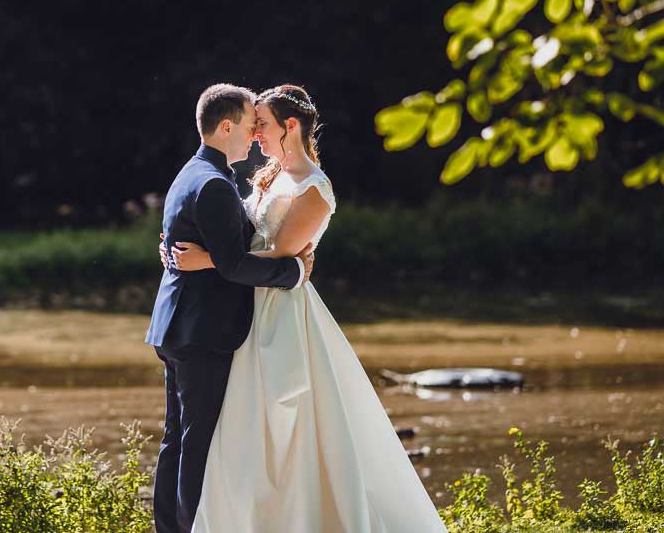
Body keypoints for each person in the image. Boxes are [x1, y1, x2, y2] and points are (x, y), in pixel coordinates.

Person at [165, 84, 447, 533]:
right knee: (236, 430)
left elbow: (282, 254)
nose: (255, 135)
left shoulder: (315, 189)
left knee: (288, 429)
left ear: (290, 126)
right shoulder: (269, 176)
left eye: (262, 126)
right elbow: (238, 237)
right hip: (243, 309)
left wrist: (206, 260)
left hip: (280, 314)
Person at [146, 83, 316, 533]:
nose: (254, 135)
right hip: (203, 332)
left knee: (176, 440)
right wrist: (295, 272)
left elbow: (202, 247)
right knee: (197, 443)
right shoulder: (216, 185)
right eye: (249, 125)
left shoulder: (192, 173)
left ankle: (170, 528)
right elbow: (237, 266)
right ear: (226, 127)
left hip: (176, 326)